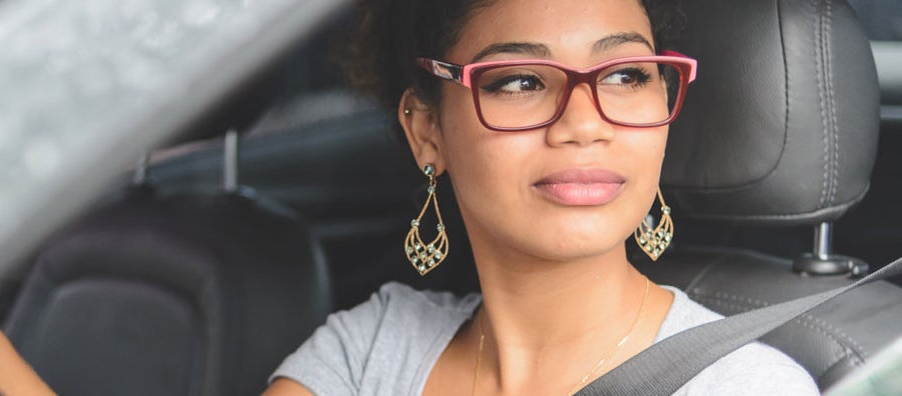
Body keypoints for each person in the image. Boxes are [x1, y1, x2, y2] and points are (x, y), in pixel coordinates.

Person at [263, 0, 818, 395]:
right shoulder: (370, 352)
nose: (584, 123)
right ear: (428, 131)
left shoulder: (740, 384)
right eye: (521, 80)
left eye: (625, 75)